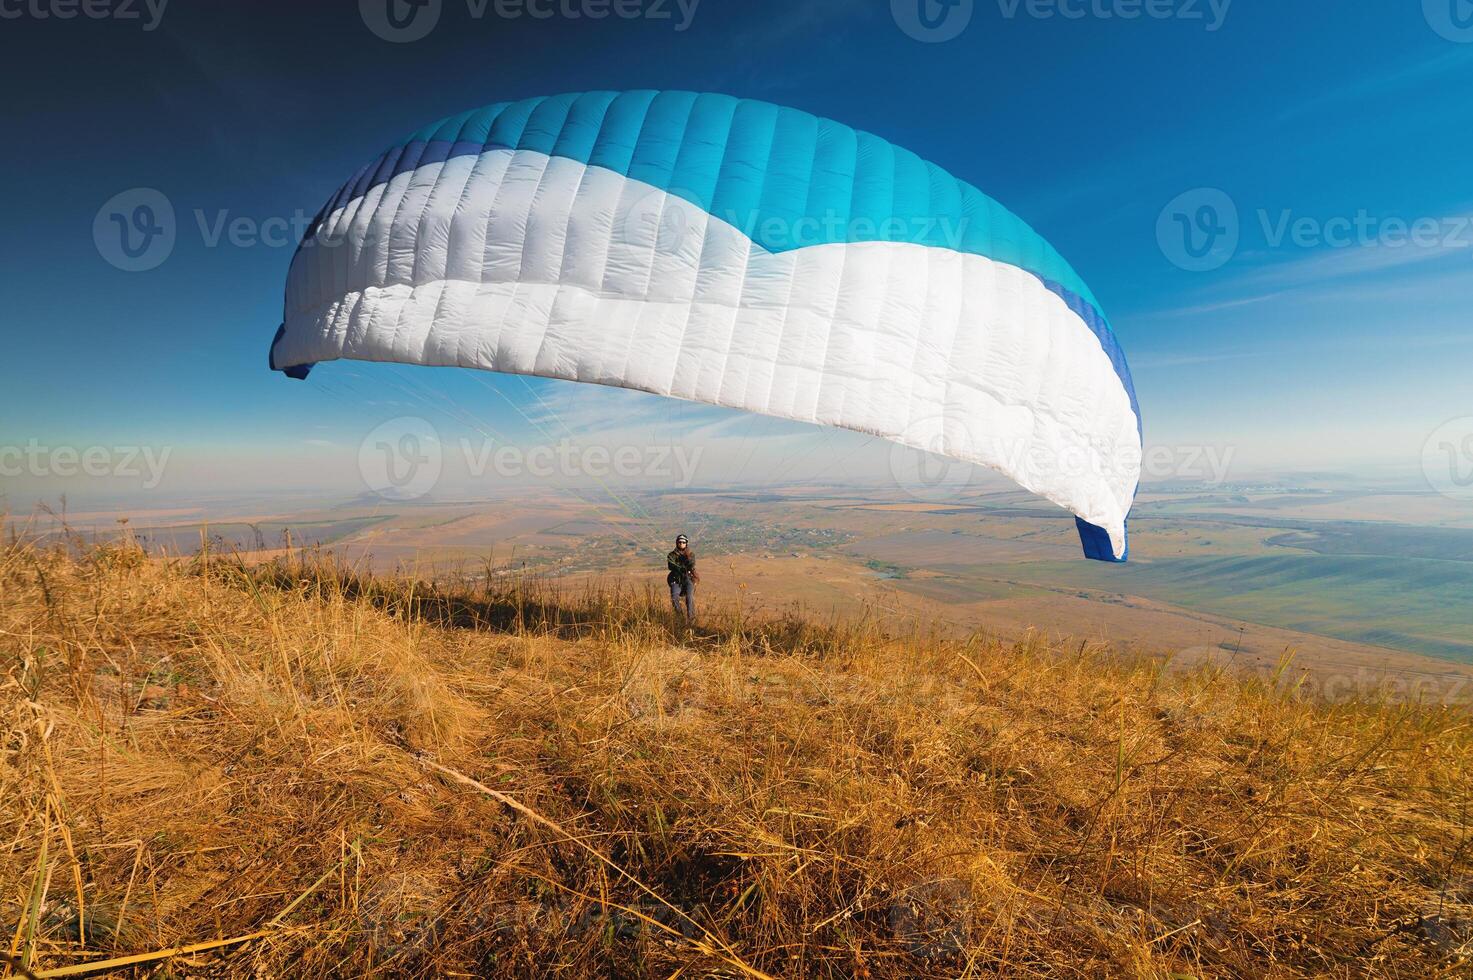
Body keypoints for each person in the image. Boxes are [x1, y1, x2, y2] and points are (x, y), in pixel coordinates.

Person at [666, 534, 698, 622]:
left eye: (683, 542)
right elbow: (671, 565)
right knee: (674, 597)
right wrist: (679, 567)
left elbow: (691, 564)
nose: (681, 544)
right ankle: (680, 618)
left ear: (686, 543)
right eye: (680, 542)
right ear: (677, 543)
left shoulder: (690, 554)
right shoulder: (671, 555)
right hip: (676, 579)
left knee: (689, 597)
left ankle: (691, 619)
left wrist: (687, 559)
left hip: (688, 578)